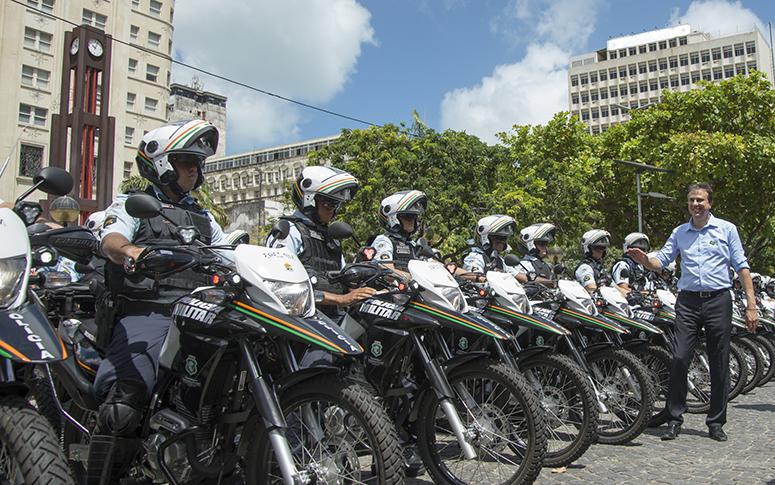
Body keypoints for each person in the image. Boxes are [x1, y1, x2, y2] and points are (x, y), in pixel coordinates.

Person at [92, 119, 227, 484]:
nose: (194, 169)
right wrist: (130, 250)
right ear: (162, 162)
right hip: (150, 309)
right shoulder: (132, 204)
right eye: (186, 161)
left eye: (198, 163)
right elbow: (111, 240)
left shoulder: (203, 217)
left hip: (197, 313)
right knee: (123, 403)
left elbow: (230, 251)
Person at [627, 182, 758, 443]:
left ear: (710, 203)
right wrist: (645, 261)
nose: (695, 204)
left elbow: (742, 268)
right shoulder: (679, 232)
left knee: (719, 360)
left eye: (700, 200)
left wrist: (751, 306)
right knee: (679, 357)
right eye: (691, 200)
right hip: (687, 301)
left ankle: (716, 422)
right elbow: (660, 261)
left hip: (718, 300)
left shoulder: (727, 230)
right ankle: (674, 417)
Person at [266, 166, 375, 319]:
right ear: (309, 199)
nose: (332, 209)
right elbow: (282, 285)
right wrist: (341, 299)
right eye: (328, 203)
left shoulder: (332, 236)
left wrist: (364, 293)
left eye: (336, 204)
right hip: (303, 318)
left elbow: (344, 281)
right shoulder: (289, 230)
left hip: (335, 316)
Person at [369, 190, 428, 273]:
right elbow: (386, 269)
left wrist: (446, 268)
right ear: (393, 218)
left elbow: (432, 264)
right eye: (407, 216)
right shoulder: (384, 241)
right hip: (393, 285)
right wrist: (410, 278)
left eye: (414, 216)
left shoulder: (411, 244)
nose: (412, 221)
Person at [462, 215, 519, 281]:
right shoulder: (475, 257)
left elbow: (520, 277)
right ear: (485, 237)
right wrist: (483, 279)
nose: (502, 241)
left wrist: (531, 278)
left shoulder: (500, 261)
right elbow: (475, 276)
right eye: (498, 237)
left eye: (504, 238)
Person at [514, 223, 557, 289]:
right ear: (530, 244)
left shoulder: (545, 265)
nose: (545, 246)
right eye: (541, 243)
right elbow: (525, 285)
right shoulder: (524, 264)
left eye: (546, 243)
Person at [612, 232, 654, 297]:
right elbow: (622, 287)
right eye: (636, 251)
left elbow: (647, 289)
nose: (639, 253)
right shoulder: (623, 265)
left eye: (642, 250)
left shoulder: (640, 267)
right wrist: (641, 293)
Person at [574, 229, 616, 294]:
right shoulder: (585, 268)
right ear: (588, 248)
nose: (600, 250)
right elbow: (591, 289)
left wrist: (631, 294)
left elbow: (617, 289)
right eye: (596, 247)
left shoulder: (602, 270)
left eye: (602, 248)